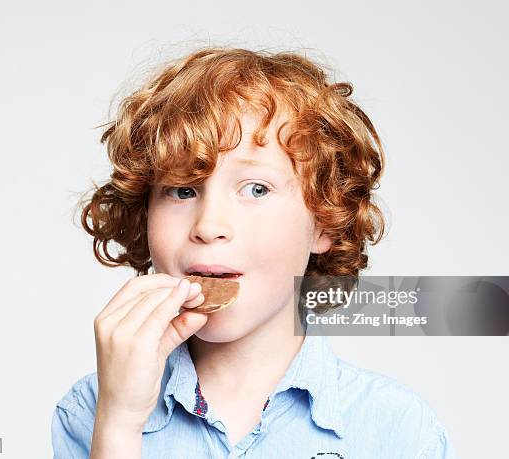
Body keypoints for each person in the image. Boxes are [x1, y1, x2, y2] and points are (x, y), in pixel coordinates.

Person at [52, 46, 458, 458]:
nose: (209, 226)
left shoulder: (396, 429)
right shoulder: (91, 412)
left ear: (324, 222)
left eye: (256, 189)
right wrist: (120, 423)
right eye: (182, 190)